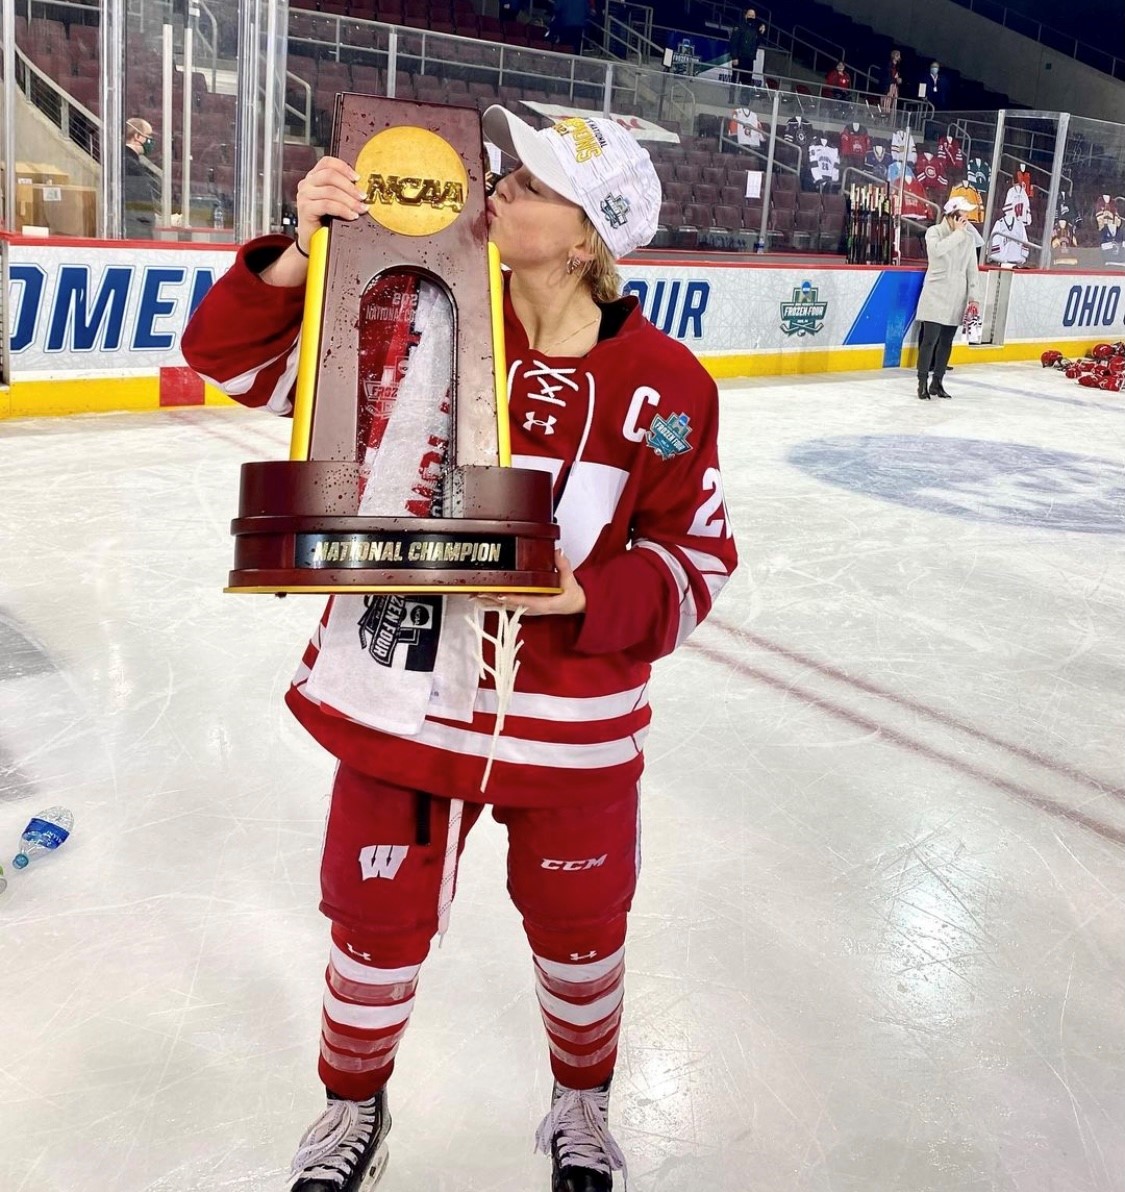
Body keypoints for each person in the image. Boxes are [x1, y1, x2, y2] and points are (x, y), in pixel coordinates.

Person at [181, 106, 738, 1192]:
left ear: (589, 237)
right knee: (371, 926)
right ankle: (353, 1112)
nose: (501, 189)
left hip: (574, 729)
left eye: (531, 185)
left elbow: (701, 559)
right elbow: (230, 362)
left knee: (582, 934)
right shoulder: (416, 321)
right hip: (402, 703)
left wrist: (588, 593)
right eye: (510, 172)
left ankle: (581, 1109)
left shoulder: (670, 389)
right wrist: (304, 251)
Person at [914, 195, 982, 399]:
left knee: (946, 342)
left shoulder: (968, 238)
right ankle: (922, 383)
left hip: (957, 296)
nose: (966, 221)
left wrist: (974, 296)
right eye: (962, 216)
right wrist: (958, 234)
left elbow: (972, 269)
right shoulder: (934, 232)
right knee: (929, 341)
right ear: (951, 216)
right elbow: (936, 252)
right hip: (935, 294)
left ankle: (938, 382)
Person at [123, 117, 158, 239]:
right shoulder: (130, 164)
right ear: (137, 136)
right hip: (136, 232)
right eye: (148, 135)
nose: (150, 140)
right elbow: (138, 204)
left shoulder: (127, 160)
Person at [729, 7, 766, 96]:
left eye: (753, 16)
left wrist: (761, 33)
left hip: (749, 59)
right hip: (739, 57)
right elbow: (733, 42)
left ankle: (744, 103)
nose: (751, 17)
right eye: (749, 15)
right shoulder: (739, 26)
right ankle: (732, 100)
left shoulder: (755, 29)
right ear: (745, 16)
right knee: (735, 80)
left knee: (747, 82)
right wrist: (734, 57)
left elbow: (757, 43)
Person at [877, 48, 902, 116]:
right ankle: (884, 116)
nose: (899, 57)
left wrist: (898, 80)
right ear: (894, 56)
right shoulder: (888, 65)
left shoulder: (897, 67)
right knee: (886, 104)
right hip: (888, 87)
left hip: (894, 87)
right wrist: (895, 80)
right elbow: (886, 78)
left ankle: (890, 118)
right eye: (898, 55)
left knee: (893, 103)